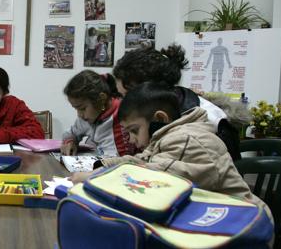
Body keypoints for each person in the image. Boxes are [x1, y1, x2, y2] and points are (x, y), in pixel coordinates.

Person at [69, 82, 265, 211]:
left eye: (134, 130)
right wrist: (102, 165)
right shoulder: (167, 137)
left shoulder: (186, 139)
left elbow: (152, 177)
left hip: (242, 226)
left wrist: (93, 178)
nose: (130, 140)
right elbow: (141, 162)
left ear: (159, 119)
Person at [112, 43, 242, 160]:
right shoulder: (172, 102)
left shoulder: (205, 124)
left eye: (126, 95)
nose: (124, 103)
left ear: (151, 90)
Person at [61, 70, 135, 157]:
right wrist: (70, 142)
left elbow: (118, 160)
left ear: (102, 99)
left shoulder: (122, 116)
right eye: (76, 109)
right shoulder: (86, 118)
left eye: (83, 108)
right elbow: (71, 133)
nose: (79, 115)